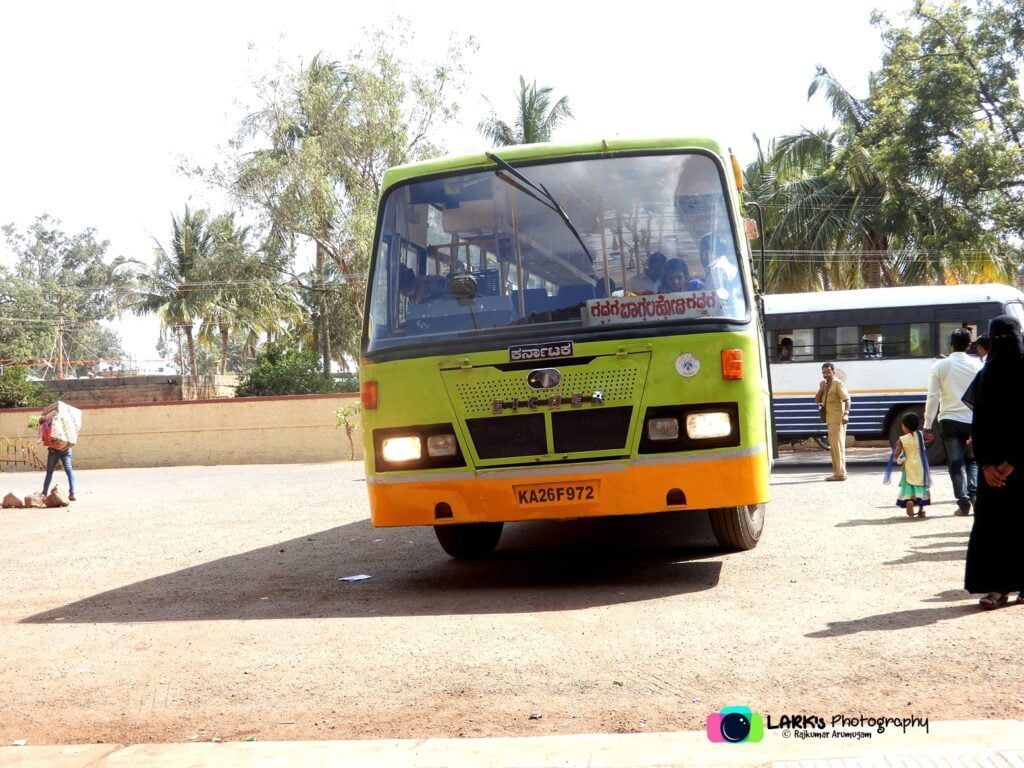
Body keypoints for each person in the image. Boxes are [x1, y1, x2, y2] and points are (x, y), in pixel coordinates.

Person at [963, 315, 1024, 609]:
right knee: (994, 527)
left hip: (1009, 467)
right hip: (996, 469)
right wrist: (988, 465)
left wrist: (1002, 464)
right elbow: (979, 424)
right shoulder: (985, 376)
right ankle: (998, 588)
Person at [923, 327, 981, 515]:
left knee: (955, 463)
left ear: (950, 344)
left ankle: (962, 502)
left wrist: (927, 425)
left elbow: (933, 397)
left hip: (949, 420)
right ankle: (974, 495)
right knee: (972, 461)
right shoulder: (978, 366)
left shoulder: (939, 366)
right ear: (970, 344)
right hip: (973, 421)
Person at [885, 412, 931, 518]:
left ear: (905, 426)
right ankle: (921, 510)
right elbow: (931, 437)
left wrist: (899, 458)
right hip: (921, 466)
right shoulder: (920, 435)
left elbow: (896, 455)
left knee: (909, 485)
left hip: (909, 466)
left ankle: (909, 501)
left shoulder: (901, 440)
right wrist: (924, 444)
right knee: (921, 485)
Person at [814, 362, 851, 481]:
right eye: (824, 373)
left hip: (838, 420)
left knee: (837, 446)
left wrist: (846, 414)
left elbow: (847, 400)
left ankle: (840, 473)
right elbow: (816, 400)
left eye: (828, 372)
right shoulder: (825, 386)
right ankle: (838, 472)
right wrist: (821, 389)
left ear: (833, 372)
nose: (826, 375)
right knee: (834, 447)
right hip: (830, 420)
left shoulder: (837, 384)